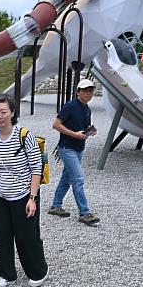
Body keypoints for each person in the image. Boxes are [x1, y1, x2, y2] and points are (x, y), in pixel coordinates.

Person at [0, 94, 48, 287]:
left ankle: (38, 270)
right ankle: (6, 274)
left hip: (24, 195)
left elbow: (36, 167)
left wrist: (32, 198)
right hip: (1, 195)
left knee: (27, 235)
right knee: (4, 235)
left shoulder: (24, 135)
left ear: (12, 113)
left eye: (3, 112)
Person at [48, 78, 101, 226]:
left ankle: (56, 206)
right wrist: (75, 134)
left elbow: (83, 126)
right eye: (85, 91)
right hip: (67, 147)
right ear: (78, 92)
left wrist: (90, 130)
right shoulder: (70, 106)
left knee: (67, 178)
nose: (88, 93)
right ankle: (84, 213)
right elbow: (56, 125)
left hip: (79, 148)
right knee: (78, 178)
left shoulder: (87, 109)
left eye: (90, 91)